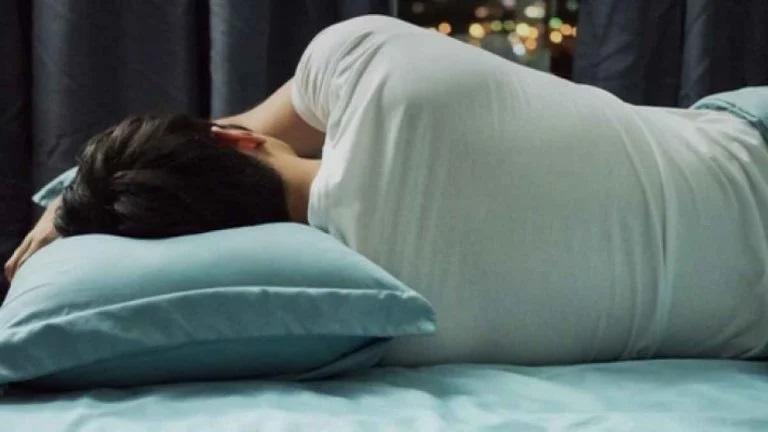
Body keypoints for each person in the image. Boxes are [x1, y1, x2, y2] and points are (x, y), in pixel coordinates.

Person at [5, 15, 768, 367]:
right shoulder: (365, 64)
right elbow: (238, 129)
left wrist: (96, 216)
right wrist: (72, 196)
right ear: (231, 146)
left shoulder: (386, 329)